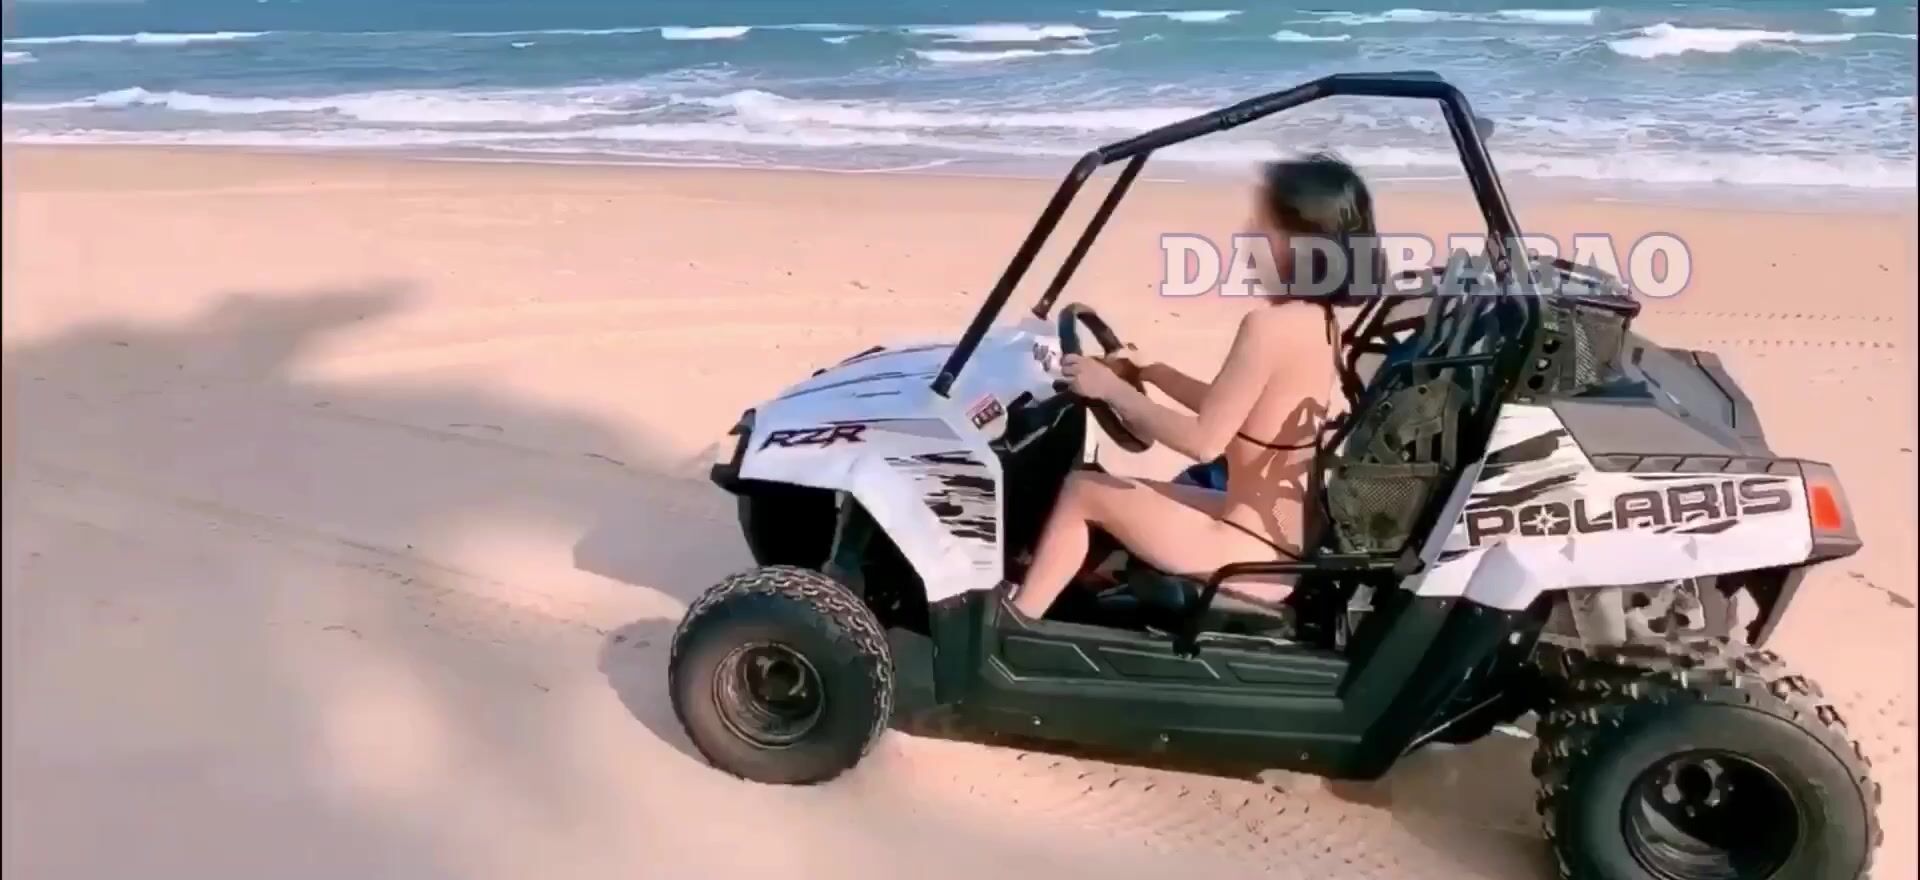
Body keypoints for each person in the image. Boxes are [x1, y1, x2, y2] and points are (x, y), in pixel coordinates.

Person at [1004, 152, 1379, 621]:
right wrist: (1151, 371)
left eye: (1260, 228)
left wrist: (1111, 389)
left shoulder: (1267, 327)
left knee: (1083, 489)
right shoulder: (1320, 323)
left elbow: (1204, 442)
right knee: (1116, 486)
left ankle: (1016, 624)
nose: (1247, 238)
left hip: (1245, 550)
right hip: (1272, 537)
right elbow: (1236, 410)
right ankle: (1074, 597)